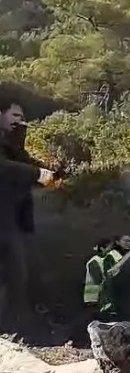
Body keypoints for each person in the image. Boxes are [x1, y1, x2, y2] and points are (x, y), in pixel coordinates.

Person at [0, 98, 59, 332]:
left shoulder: (13, 146)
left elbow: (27, 167)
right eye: (15, 116)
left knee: (16, 279)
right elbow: (5, 168)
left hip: (11, 224)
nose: (20, 121)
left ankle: (12, 332)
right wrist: (38, 173)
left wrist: (53, 173)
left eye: (22, 117)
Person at [82, 237, 130, 309]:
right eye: (109, 248)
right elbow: (97, 279)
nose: (111, 250)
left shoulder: (106, 259)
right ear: (102, 248)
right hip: (93, 298)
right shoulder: (94, 261)